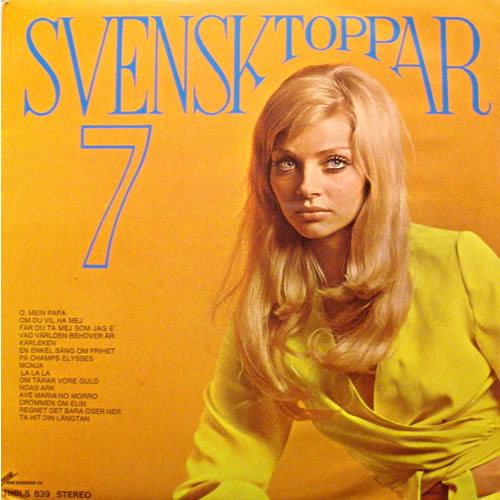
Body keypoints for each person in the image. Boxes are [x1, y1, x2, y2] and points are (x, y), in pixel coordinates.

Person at [173, 64, 500, 499]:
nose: (306, 187)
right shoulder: (266, 314)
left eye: (335, 163)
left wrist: (463, 486)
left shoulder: (457, 259)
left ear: (373, 169)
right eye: (286, 163)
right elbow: (223, 475)